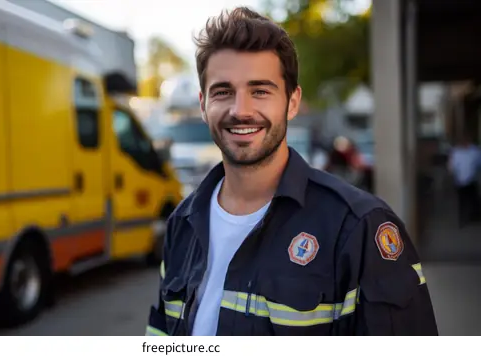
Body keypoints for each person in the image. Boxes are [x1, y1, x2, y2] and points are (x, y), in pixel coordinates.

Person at [145, 7, 438, 336]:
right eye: (223, 91)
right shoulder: (182, 224)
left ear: (292, 102)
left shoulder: (358, 228)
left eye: (260, 91)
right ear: (203, 104)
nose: (240, 111)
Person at [447, 135, 481, 227]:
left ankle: (472, 217)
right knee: (463, 201)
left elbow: (478, 163)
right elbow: (451, 167)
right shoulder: (456, 152)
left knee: (472, 200)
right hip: (461, 182)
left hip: (470, 181)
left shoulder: (473, 151)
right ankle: (463, 220)